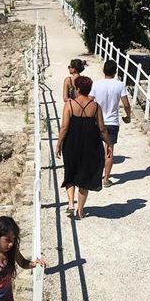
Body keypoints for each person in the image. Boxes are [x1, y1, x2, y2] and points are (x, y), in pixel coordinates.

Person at [56, 75, 113, 219]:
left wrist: (58, 144)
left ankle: (70, 203)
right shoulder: (95, 106)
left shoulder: (69, 105)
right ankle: (80, 210)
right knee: (85, 176)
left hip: (72, 143)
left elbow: (64, 127)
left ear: (78, 89)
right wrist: (109, 143)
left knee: (70, 172)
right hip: (90, 144)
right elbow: (102, 129)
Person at [90, 60, 132, 188]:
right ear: (115, 71)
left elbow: (90, 101)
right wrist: (128, 116)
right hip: (112, 122)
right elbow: (126, 104)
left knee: (96, 151)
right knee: (109, 151)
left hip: (98, 121)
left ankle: (95, 176)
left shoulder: (96, 84)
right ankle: (106, 179)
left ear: (104, 70)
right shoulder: (119, 85)